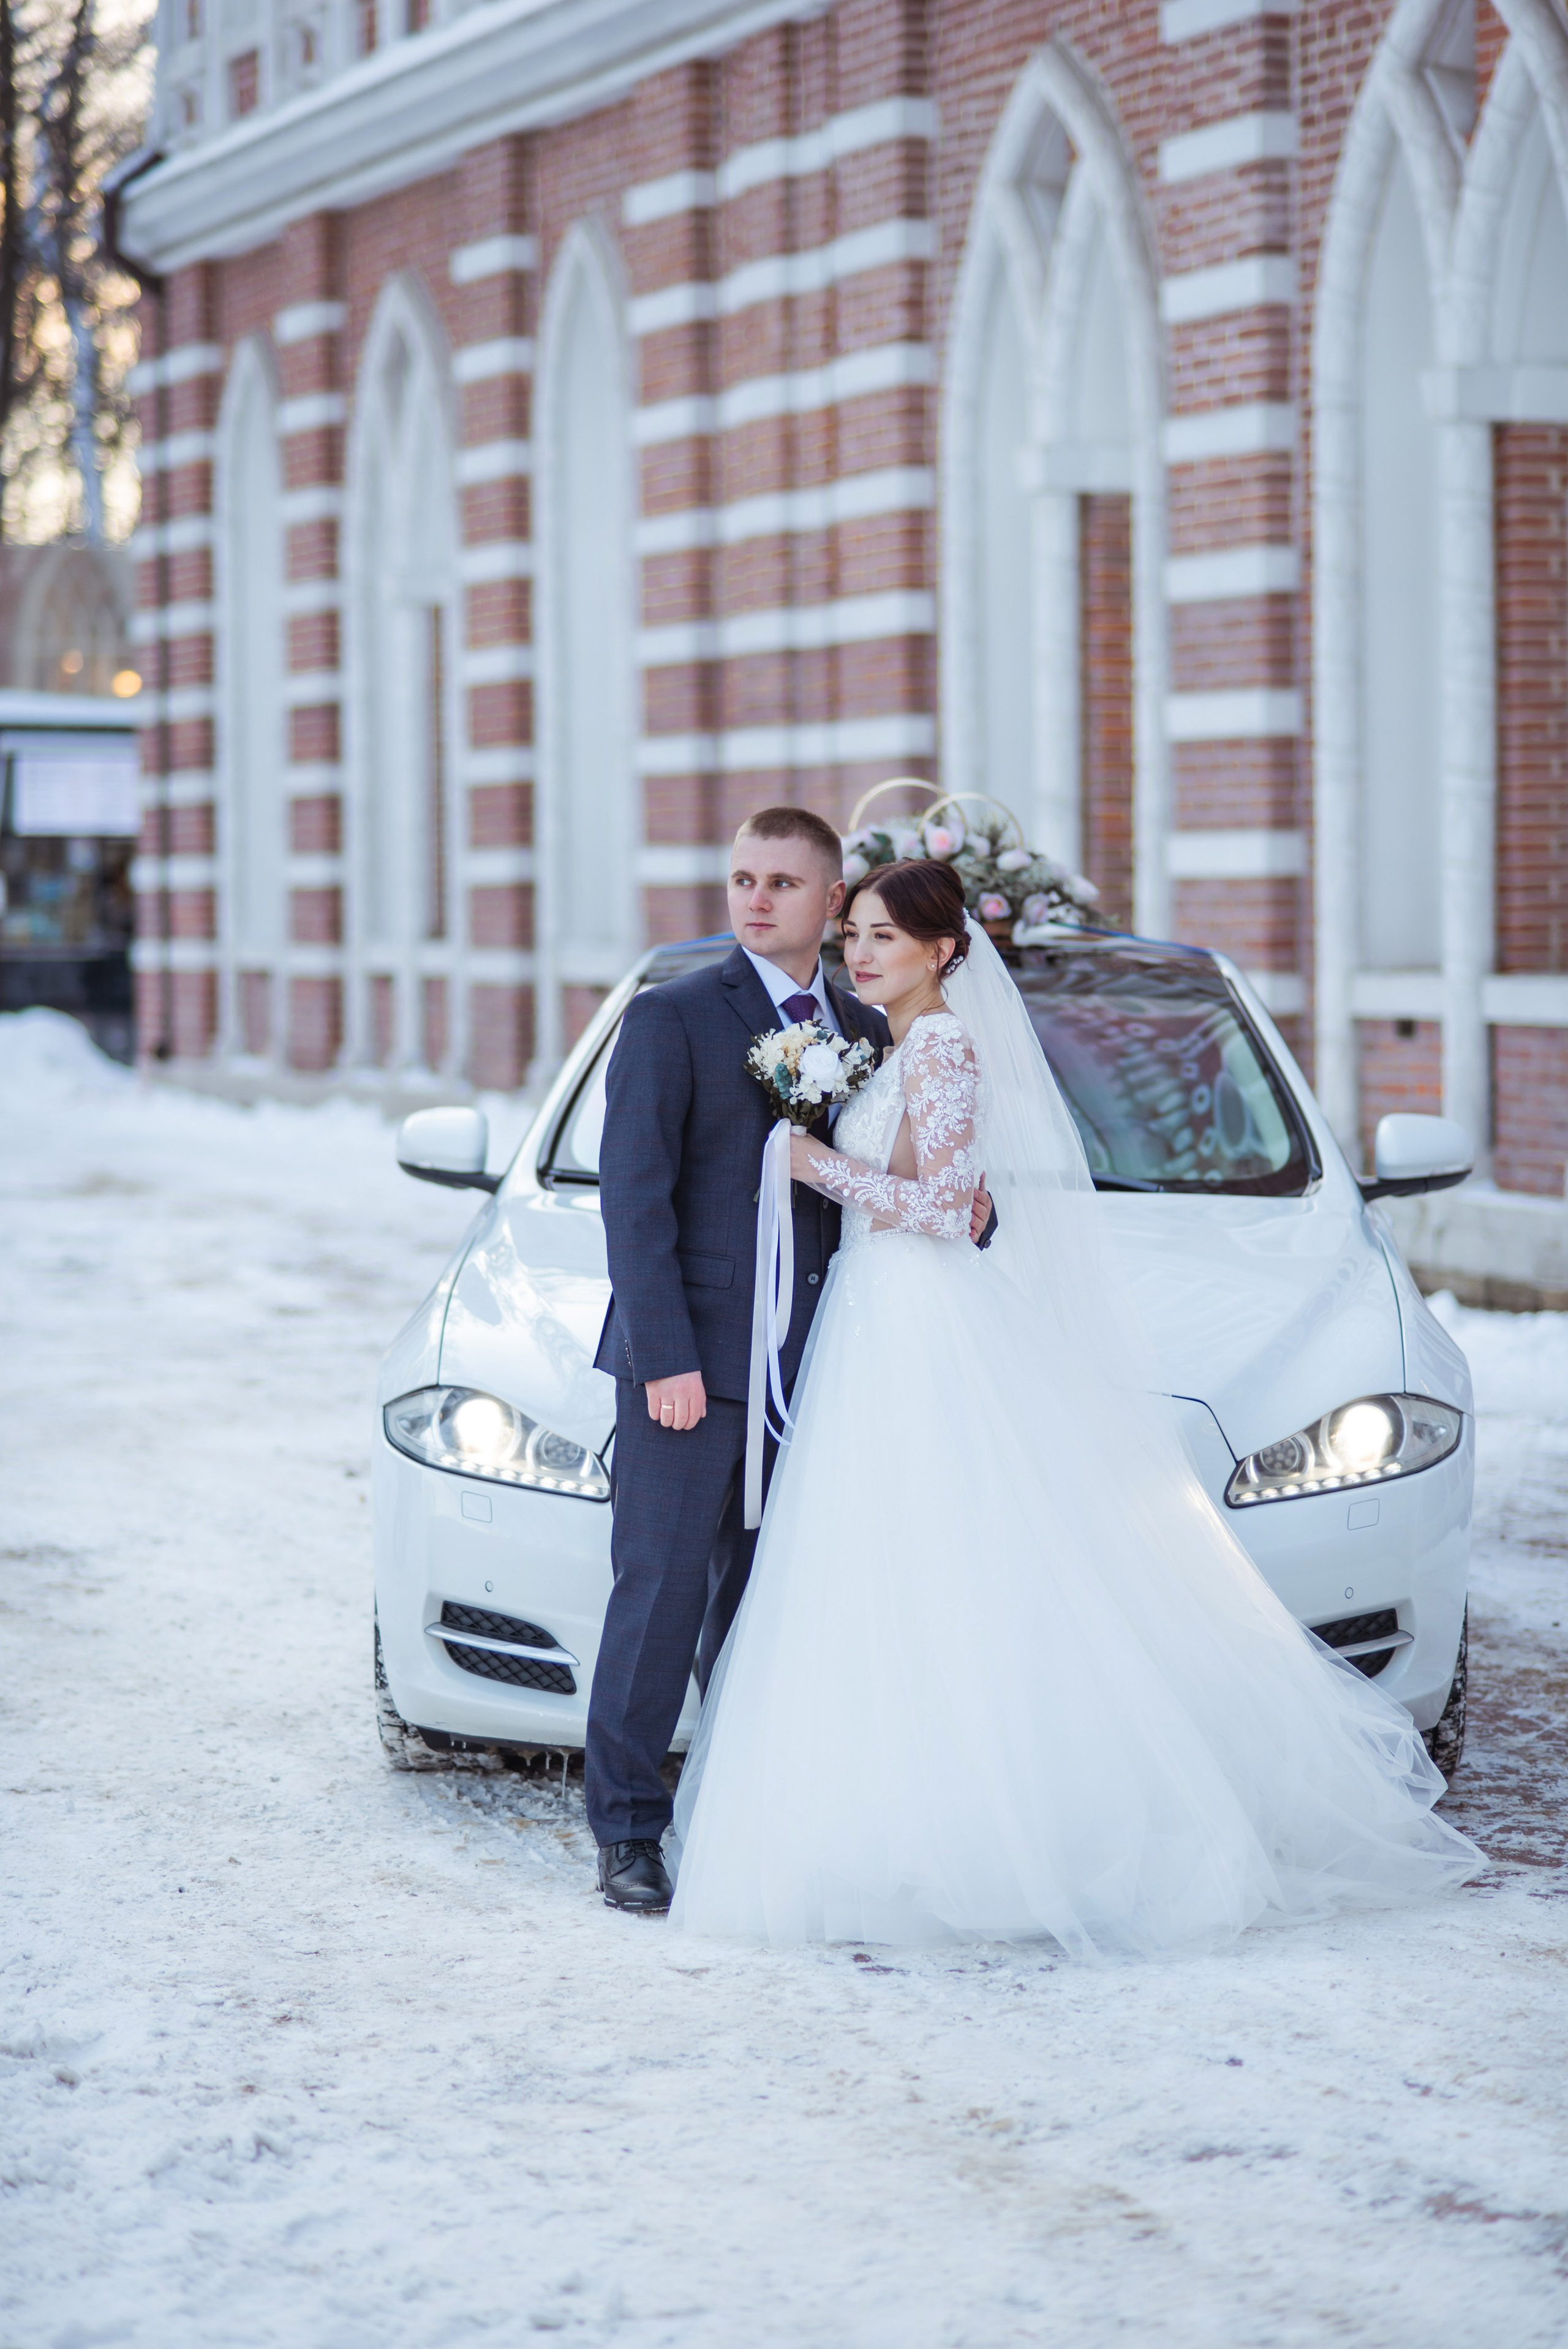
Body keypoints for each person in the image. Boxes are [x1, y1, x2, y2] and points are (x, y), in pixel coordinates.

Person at [668, 859, 1482, 1953]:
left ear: (944, 952)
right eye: (853, 933)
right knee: (885, 1571)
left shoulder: (947, 1045)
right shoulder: (904, 1044)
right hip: (881, 1315)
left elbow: (950, 1210)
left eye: (884, 939)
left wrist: (814, 1167)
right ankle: (900, 1817)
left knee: (937, 1569)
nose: (859, 954)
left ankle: (974, 1830)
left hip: (919, 1317)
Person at [587, 809, 993, 1914]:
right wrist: (664, 1357)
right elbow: (635, 1202)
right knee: (661, 1597)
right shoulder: (670, 1019)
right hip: (693, 1373)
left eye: (782, 882)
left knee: (773, 1615)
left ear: (831, 901)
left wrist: (974, 1210)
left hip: (829, 1374)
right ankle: (627, 1833)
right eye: (739, 879)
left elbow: (918, 1172)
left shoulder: (876, 1024)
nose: (756, 899)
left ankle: (742, 1817)